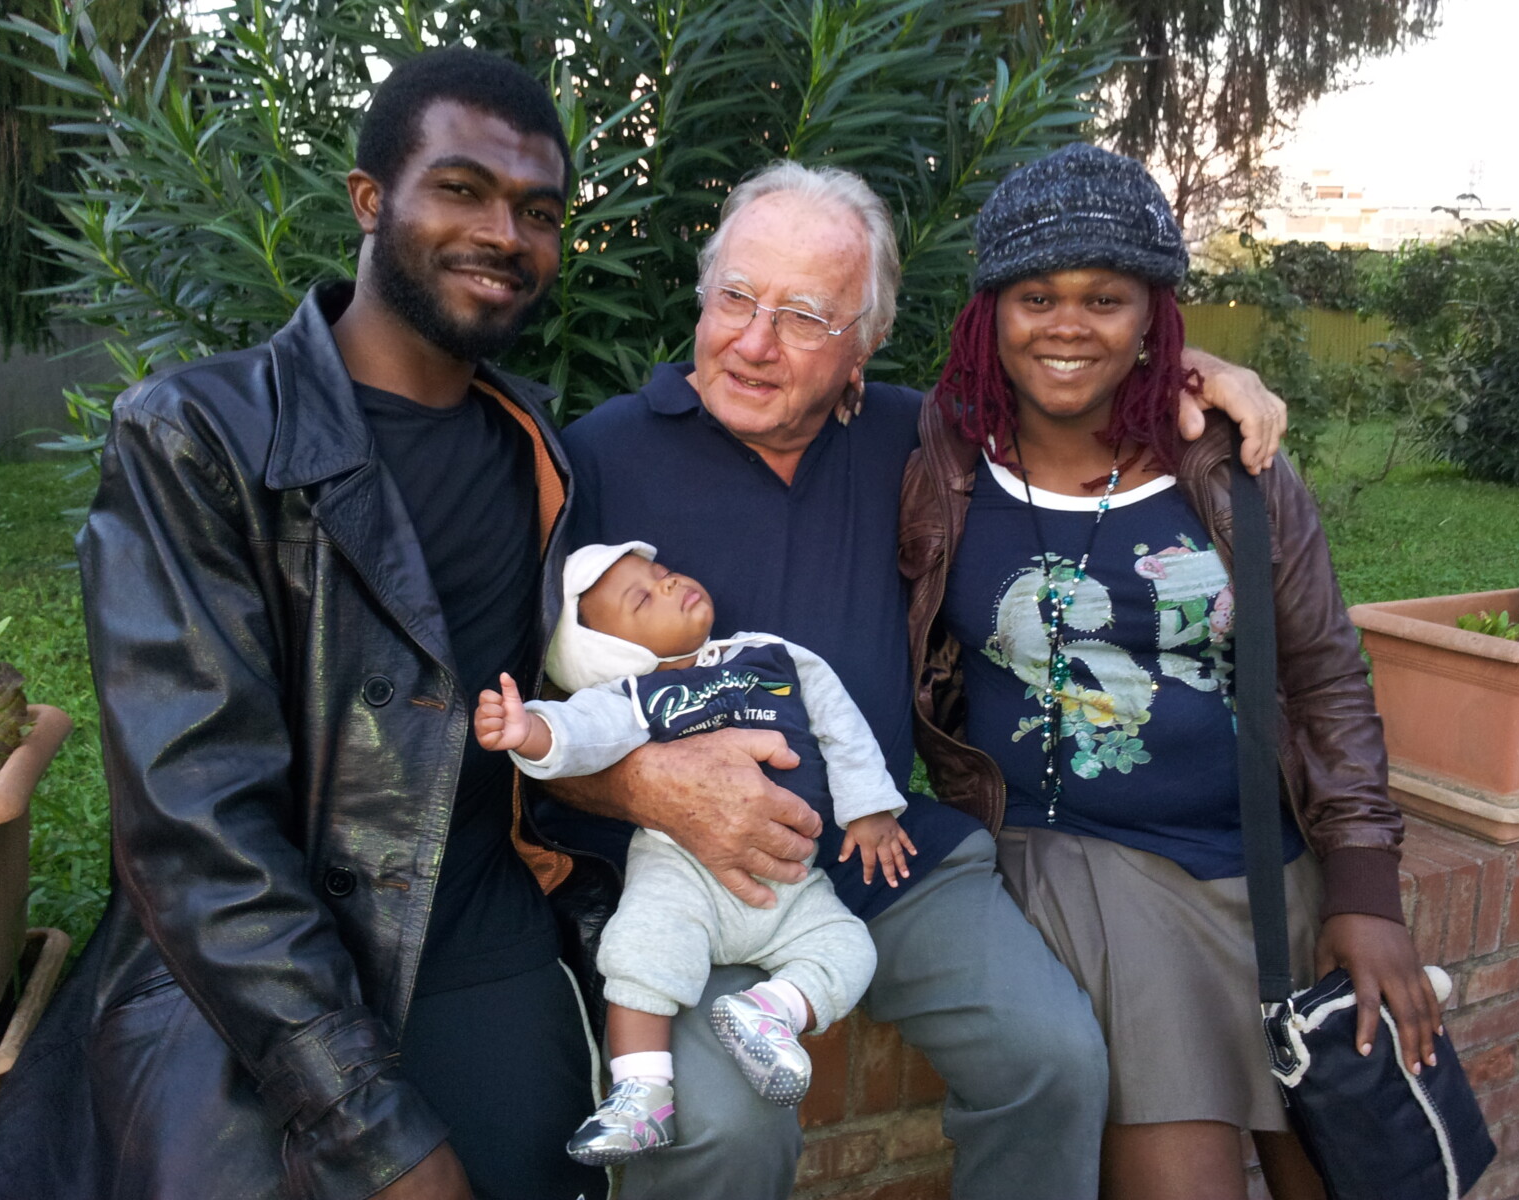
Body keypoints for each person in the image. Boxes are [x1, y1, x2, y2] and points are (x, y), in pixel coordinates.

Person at [546, 158, 1291, 1200]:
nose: (754, 342)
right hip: (691, 879)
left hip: (882, 853)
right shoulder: (596, 458)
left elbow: (1066, 377)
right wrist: (644, 788)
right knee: (720, 1131)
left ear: (864, 345)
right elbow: (513, 720)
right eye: (736, 298)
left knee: (1051, 1058)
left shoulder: (919, 440)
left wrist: (1196, 373)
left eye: (805, 318)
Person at [0, 48, 608, 1200]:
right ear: (370, 199)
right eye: (462, 189)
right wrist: (365, 1120)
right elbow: (193, 819)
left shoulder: (539, 450)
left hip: (483, 940)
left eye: (538, 211)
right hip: (256, 975)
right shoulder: (199, 433)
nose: (505, 233)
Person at [899, 143, 1444, 1200]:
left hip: (1266, 858)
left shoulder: (1232, 466)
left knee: (1363, 1172)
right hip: (1084, 859)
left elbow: (1325, 675)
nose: (1067, 326)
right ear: (988, 313)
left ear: (1153, 314)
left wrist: (1365, 889)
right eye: (1035, 297)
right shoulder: (937, 463)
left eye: (1105, 298)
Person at [474, 541, 916, 1164]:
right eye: (641, 598)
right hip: (681, 873)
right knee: (640, 953)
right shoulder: (633, 694)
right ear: (613, 652)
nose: (667, 582)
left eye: (662, 572)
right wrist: (529, 731)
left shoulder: (772, 656)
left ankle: (771, 1013)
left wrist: (868, 808)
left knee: (850, 948)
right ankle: (641, 1094)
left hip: (791, 879)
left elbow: (839, 724)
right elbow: (580, 732)